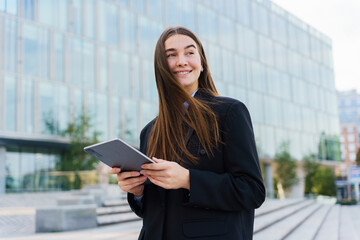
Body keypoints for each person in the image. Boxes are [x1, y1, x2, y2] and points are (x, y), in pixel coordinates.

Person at [109, 26, 265, 240]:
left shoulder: (228, 113)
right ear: (161, 67)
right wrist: (137, 192)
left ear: (201, 64)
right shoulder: (150, 131)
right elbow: (153, 211)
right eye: (171, 55)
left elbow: (251, 191)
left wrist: (188, 179)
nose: (182, 61)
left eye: (190, 53)